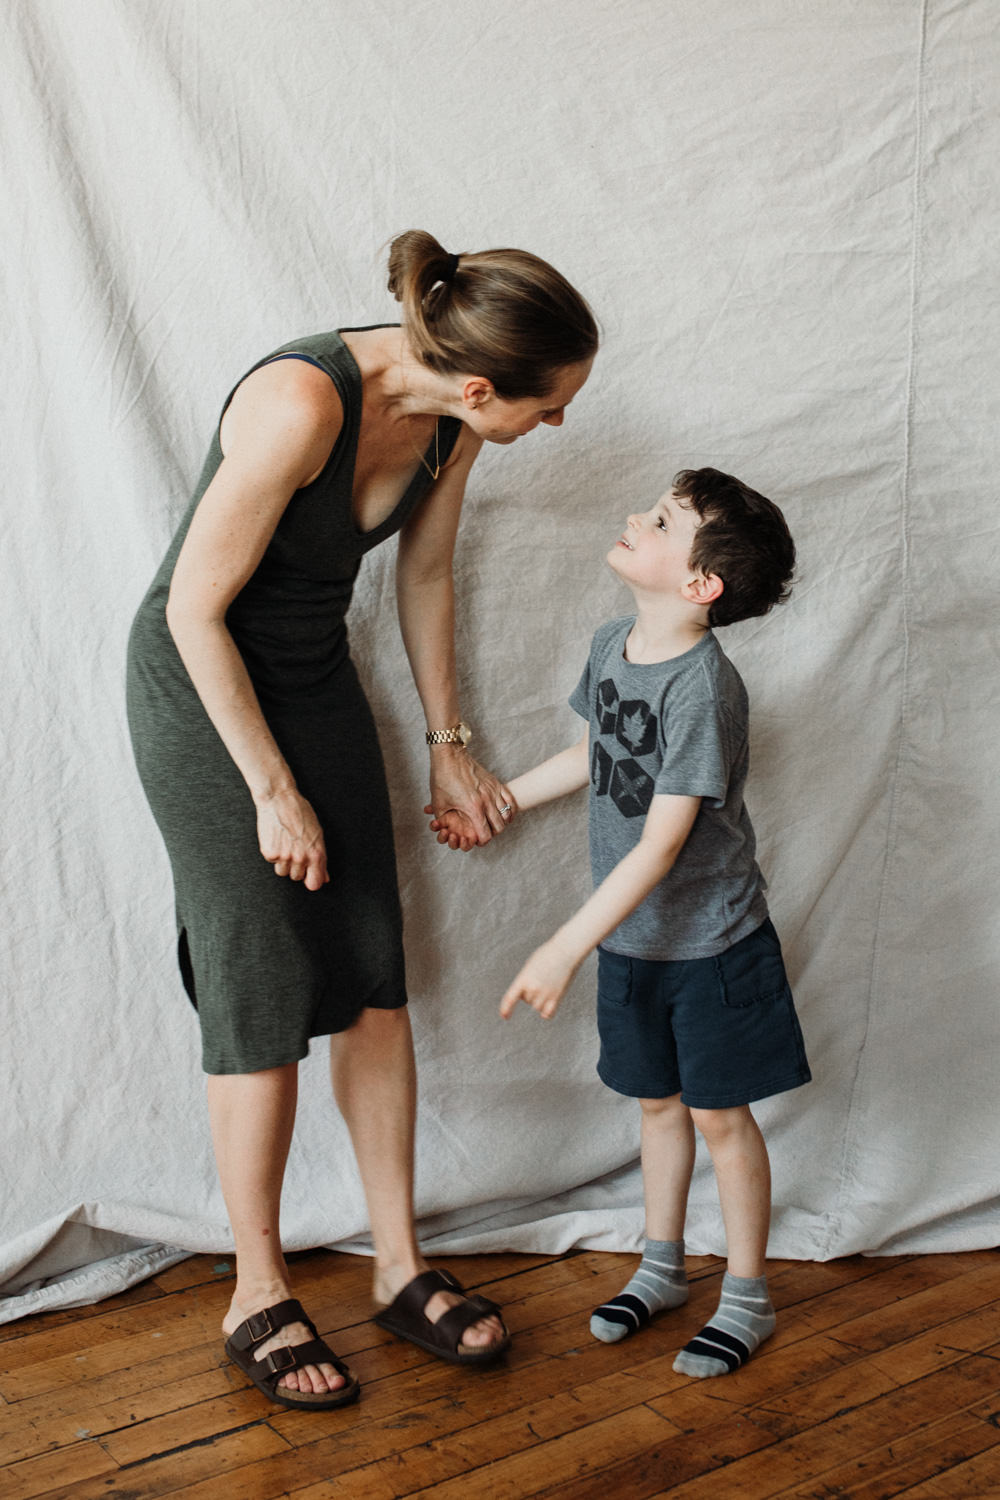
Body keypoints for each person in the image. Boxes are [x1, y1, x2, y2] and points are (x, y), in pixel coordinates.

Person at [126, 230, 597, 1410]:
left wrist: (451, 749)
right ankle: (257, 1288)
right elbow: (193, 611)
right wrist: (270, 789)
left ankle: (397, 1264)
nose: (556, 429)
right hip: (201, 688)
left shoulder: (449, 421)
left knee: (372, 970)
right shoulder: (299, 402)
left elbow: (423, 576)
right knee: (262, 975)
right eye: (552, 408)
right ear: (487, 384)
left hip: (312, 678)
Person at [488, 467, 811, 1377]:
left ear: (700, 583)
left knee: (720, 1118)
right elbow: (597, 750)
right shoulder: (611, 642)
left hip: (711, 949)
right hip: (634, 945)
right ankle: (660, 1265)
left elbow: (661, 847)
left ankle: (747, 1294)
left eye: (662, 520)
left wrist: (562, 943)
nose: (636, 516)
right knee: (658, 1106)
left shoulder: (706, 689)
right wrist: (503, 800)